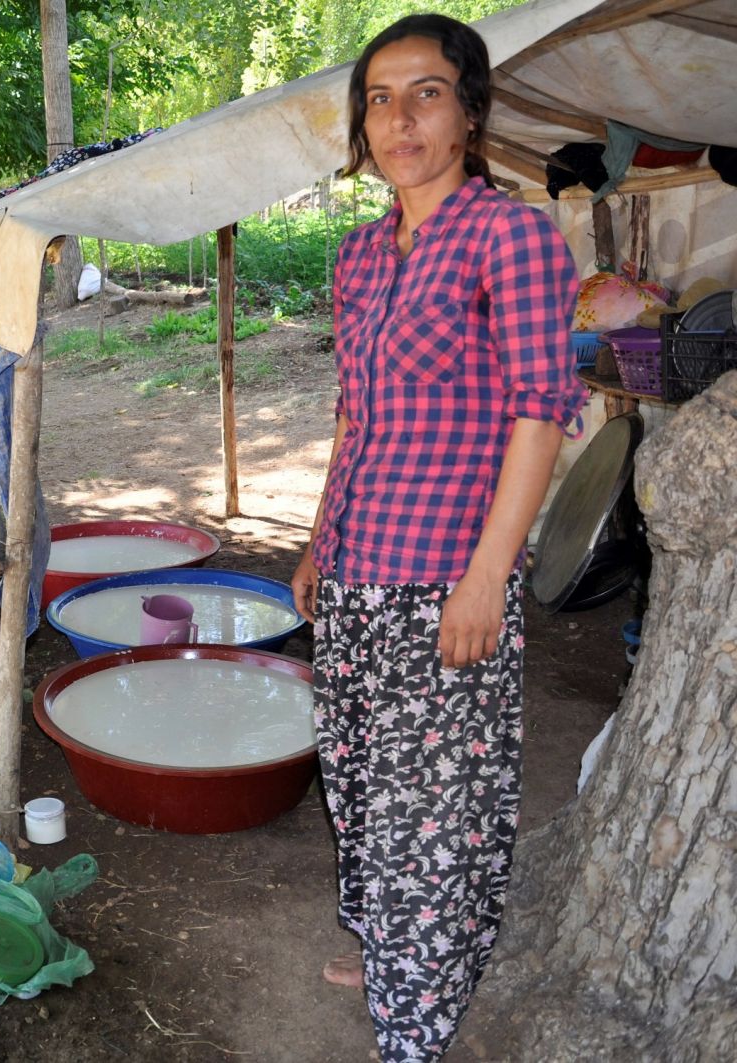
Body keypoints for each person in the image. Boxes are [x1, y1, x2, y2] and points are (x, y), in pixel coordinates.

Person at [289, 14, 585, 1061]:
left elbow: (540, 412)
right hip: (361, 565)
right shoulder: (359, 255)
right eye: (378, 97)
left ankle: (414, 1017)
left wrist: (486, 578)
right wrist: (319, 541)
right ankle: (385, 942)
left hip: (445, 578)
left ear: (467, 110)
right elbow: (352, 413)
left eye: (424, 92)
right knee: (363, 778)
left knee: (435, 808)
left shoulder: (509, 237)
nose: (399, 117)